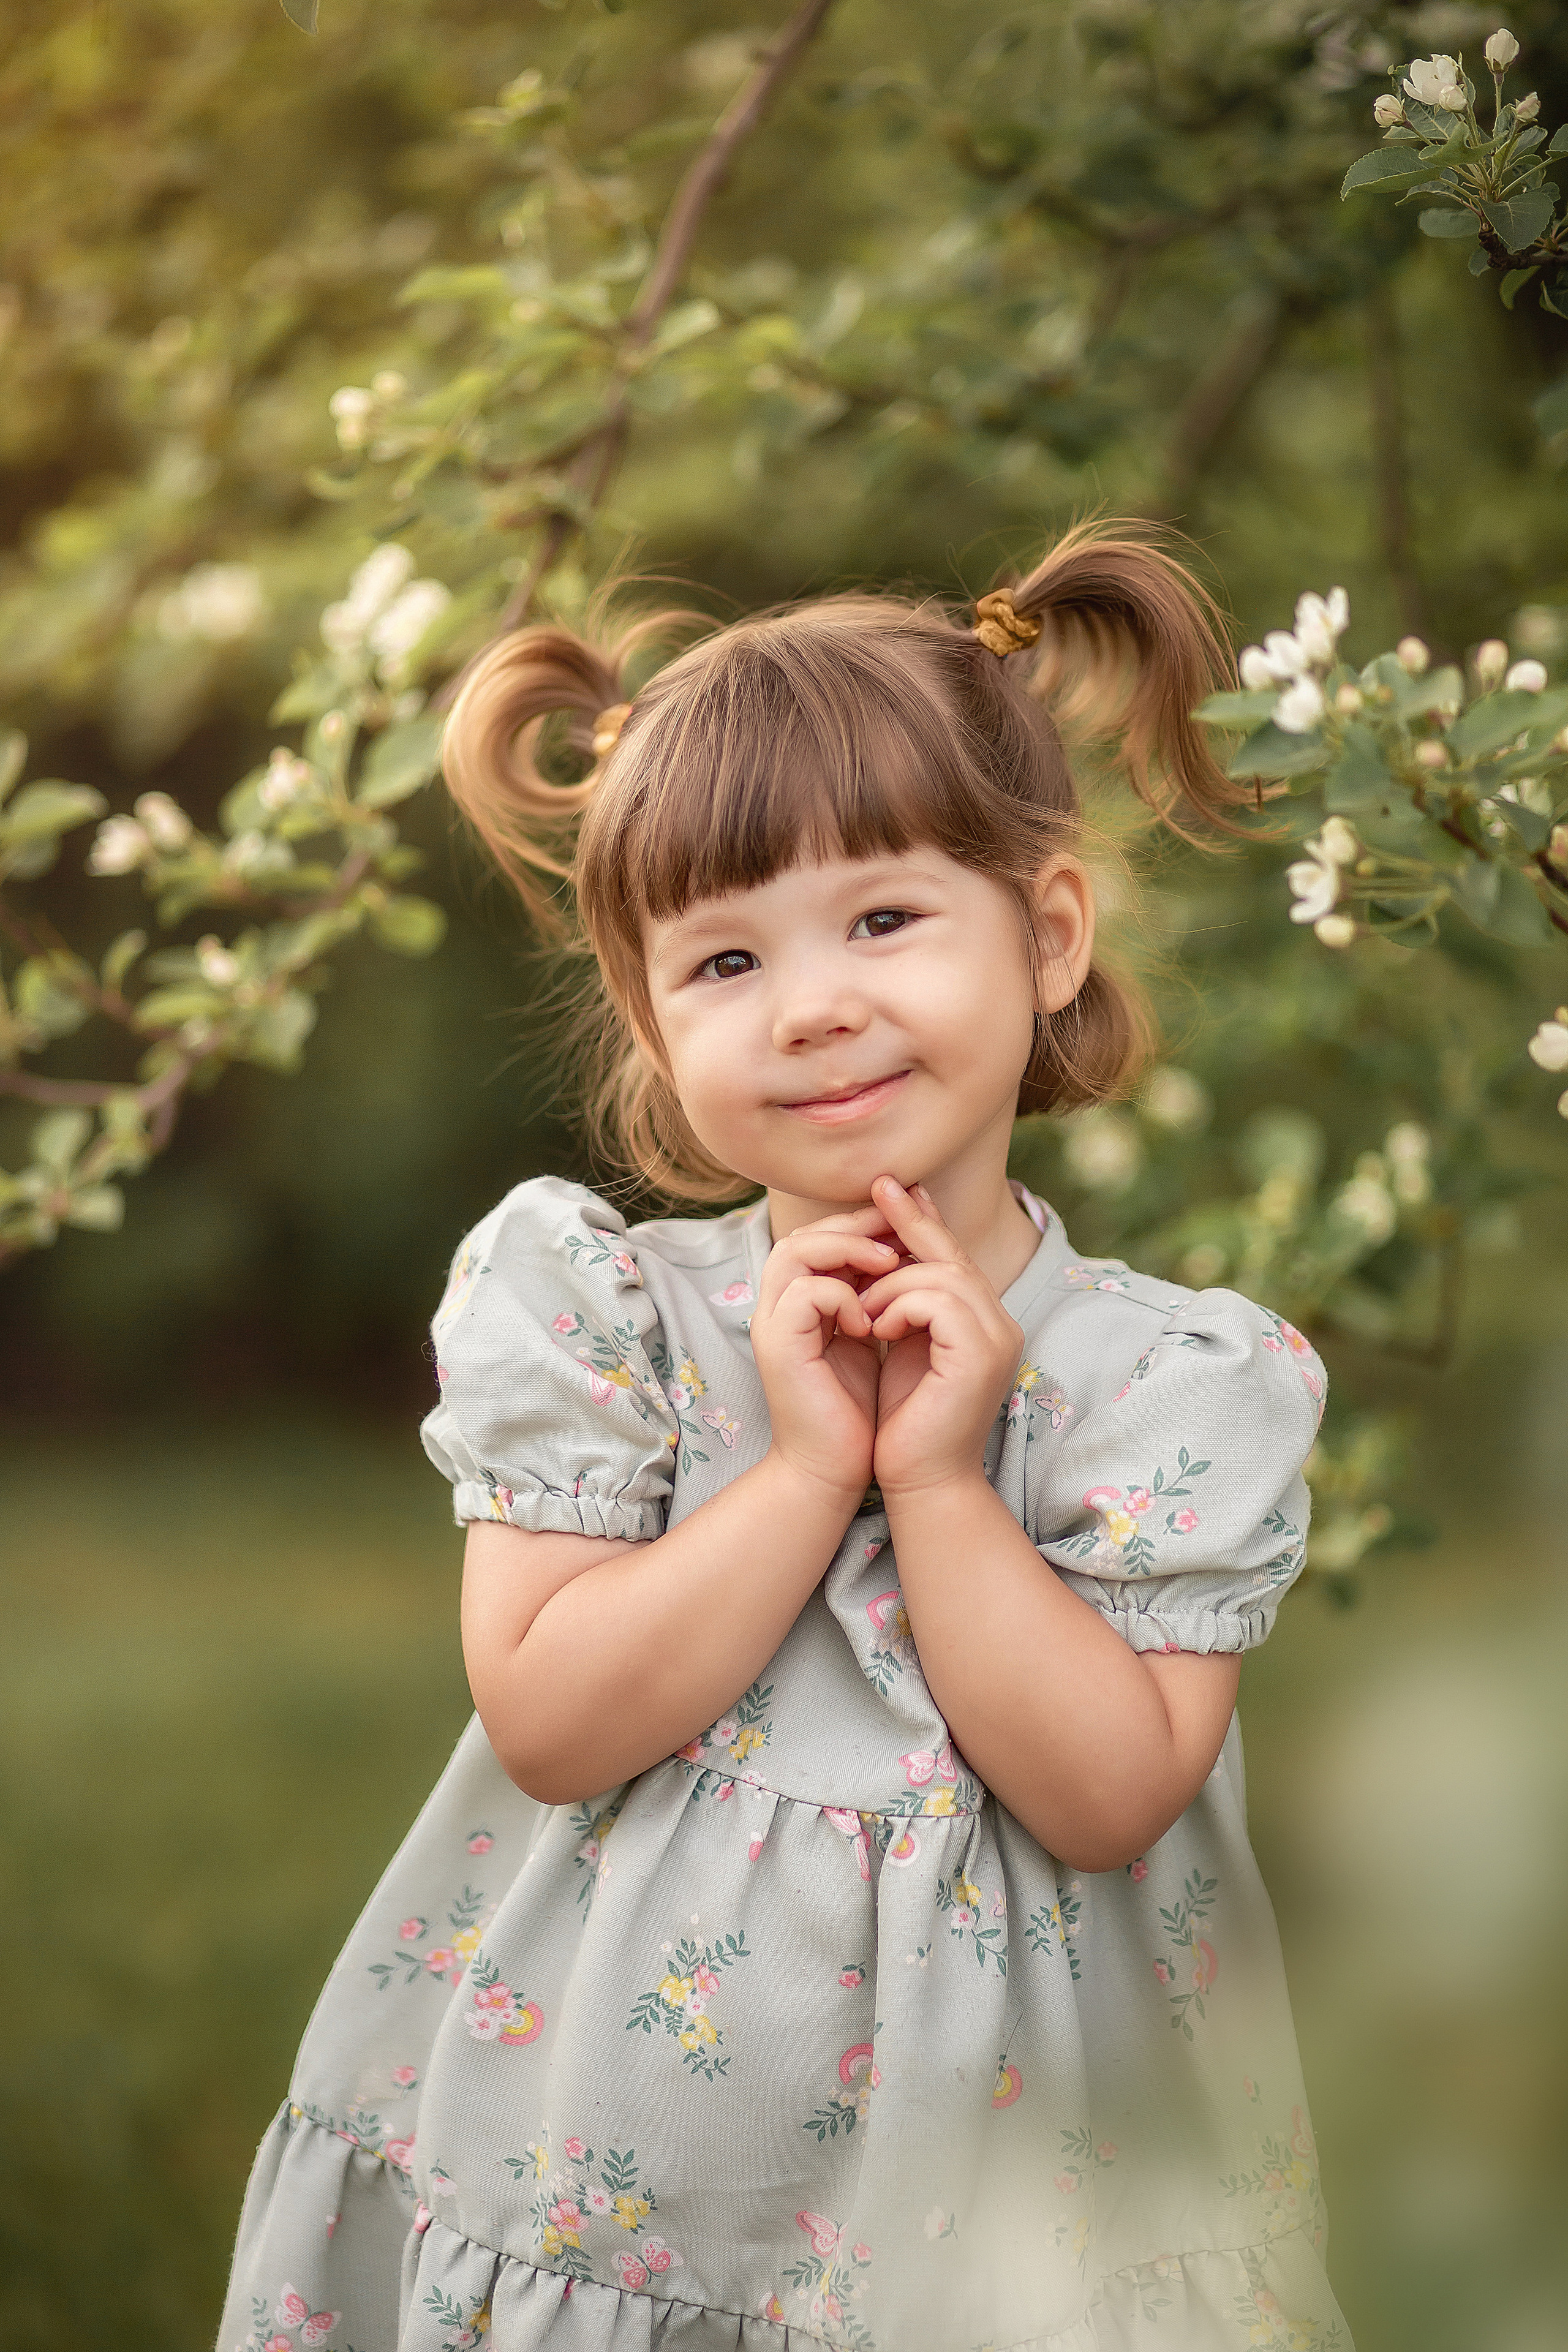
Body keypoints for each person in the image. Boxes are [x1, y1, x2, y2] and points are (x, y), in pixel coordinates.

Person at [220, 522, 1351, 2352]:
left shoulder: (1171, 1385)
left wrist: (935, 1481)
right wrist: (809, 1466)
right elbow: (551, 1717)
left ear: (1048, 935)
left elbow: (1107, 1792)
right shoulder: (609, 1318)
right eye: (725, 960)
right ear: (656, 1026)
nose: (812, 1002)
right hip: (622, 2195)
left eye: (885, 919)